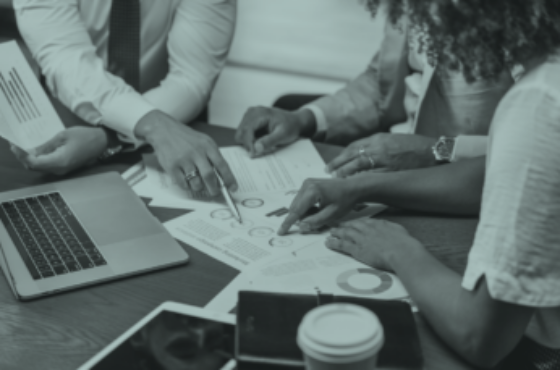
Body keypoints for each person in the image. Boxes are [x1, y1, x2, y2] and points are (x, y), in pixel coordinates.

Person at [286, 1, 560, 368]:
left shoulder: (538, 104)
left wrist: (397, 249)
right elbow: (492, 173)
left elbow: (479, 337)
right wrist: (364, 187)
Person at [235, 2, 514, 177]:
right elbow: (381, 85)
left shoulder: (531, 18)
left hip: (486, 195)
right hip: (411, 181)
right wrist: (304, 119)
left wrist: (436, 150)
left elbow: (546, 147)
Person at [11, 0, 238, 198]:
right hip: (67, 125)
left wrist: (108, 139)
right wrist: (153, 124)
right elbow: (66, 60)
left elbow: (192, 77)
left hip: (172, 127)